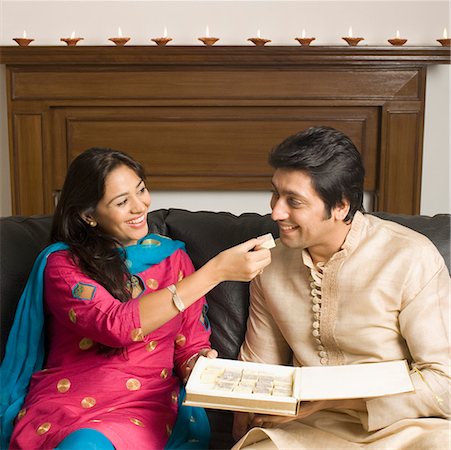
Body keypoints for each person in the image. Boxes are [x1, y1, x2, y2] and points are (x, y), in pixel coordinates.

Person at [0, 147, 271, 450]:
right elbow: (115, 326)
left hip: (143, 403)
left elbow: (189, 345)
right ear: (89, 216)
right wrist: (215, 272)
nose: (139, 206)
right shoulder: (64, 265)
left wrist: (196, 363)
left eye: (141, 190)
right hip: (68, 403)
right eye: (121, 201)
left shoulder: (173, 258)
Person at [232, 126, 450, 450]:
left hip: (404, 427)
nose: (276, 211)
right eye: (276, 193)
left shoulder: (410, 257)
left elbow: (443, 384)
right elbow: (259, 368)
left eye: (294, 201)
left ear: (341, 207)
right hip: (302, 429)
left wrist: (332, 401)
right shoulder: (269, 263)